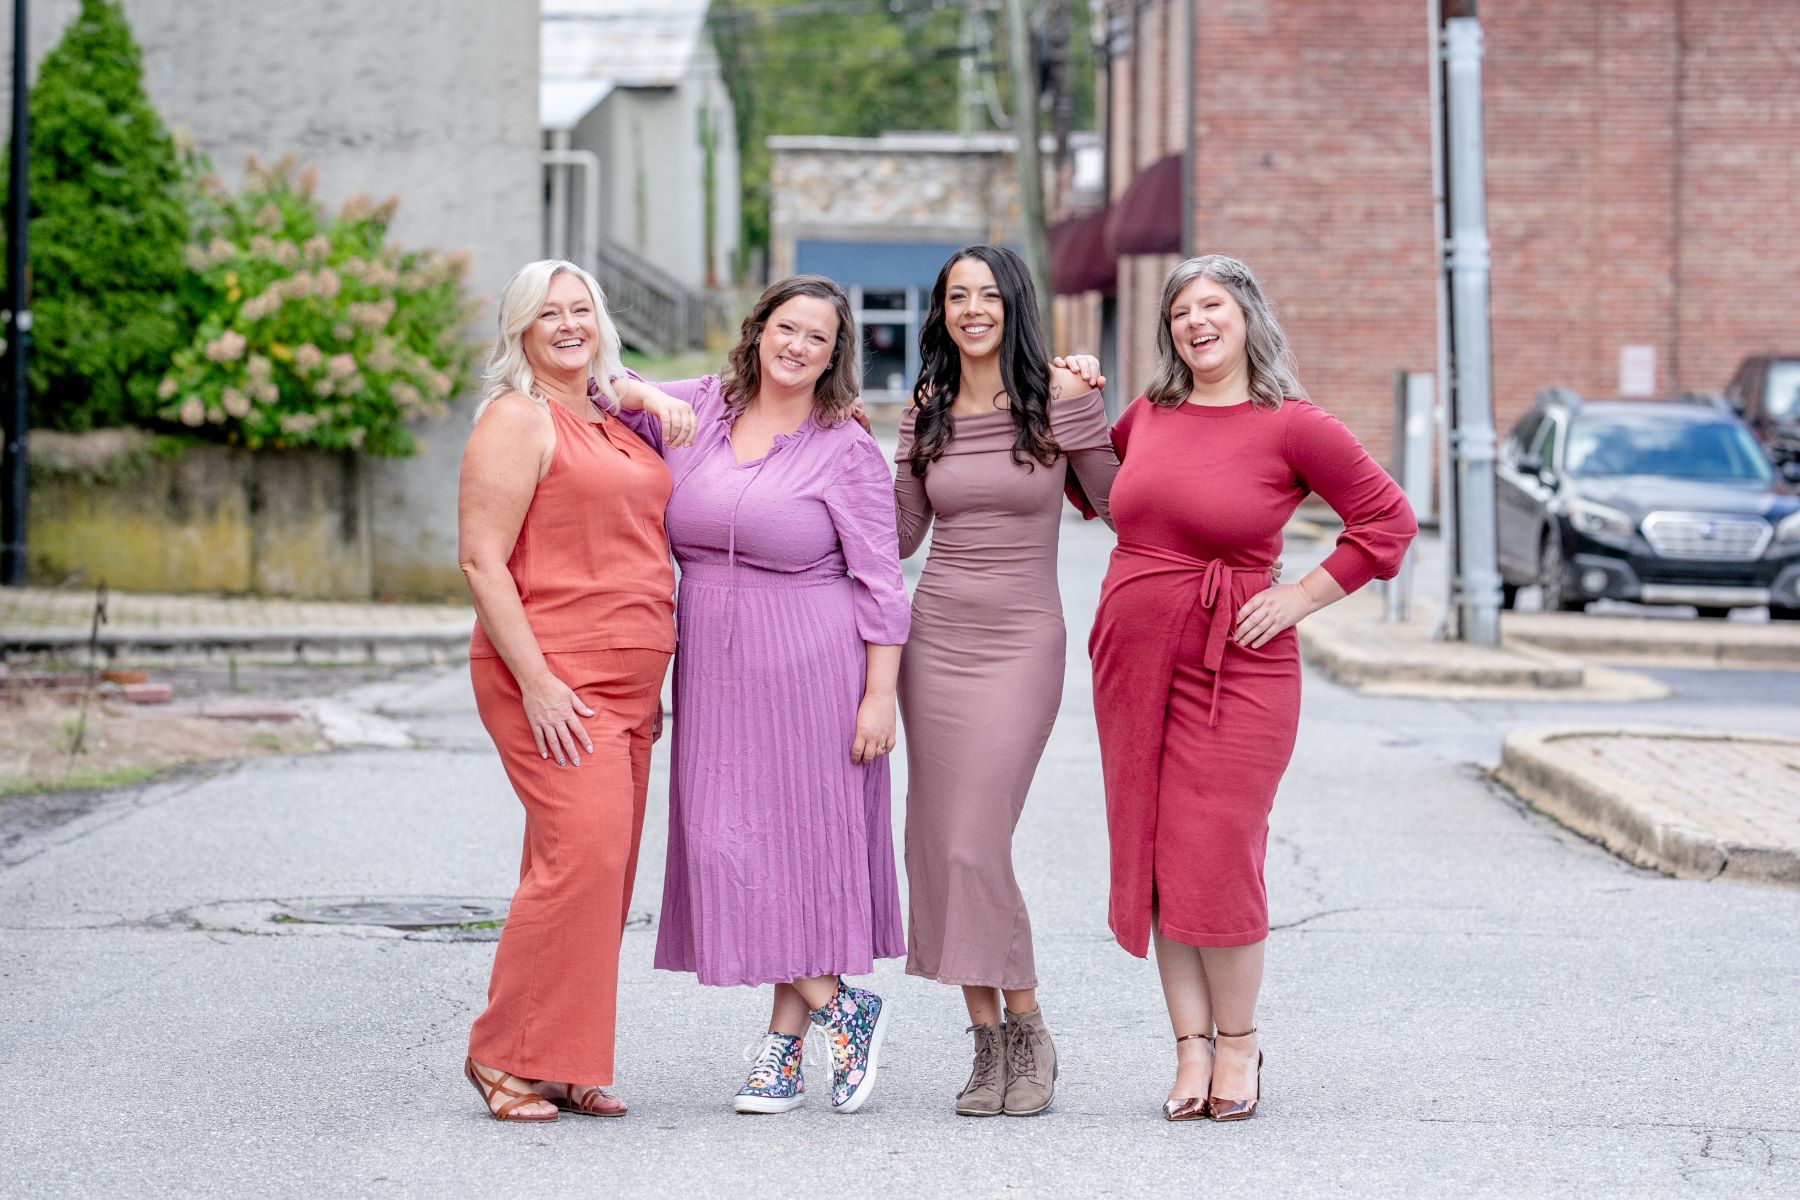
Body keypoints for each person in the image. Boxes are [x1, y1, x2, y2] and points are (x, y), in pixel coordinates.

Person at [1089, 254, 1416, 1123]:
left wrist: (1302, 596)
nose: (1197, 321)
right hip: (1133, 658)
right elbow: (1096, 489)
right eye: (1181, 310)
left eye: (1213, 306)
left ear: (1246, 319)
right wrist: (1073, 398)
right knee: (1156, 851)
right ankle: (1188, 1048)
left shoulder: (1292, 424)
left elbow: (1387, 521)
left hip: (1239, 658)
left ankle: (1239, 1043)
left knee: (1216, 850)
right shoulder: (1150, 414)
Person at [607, 275, 910, 1116]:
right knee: (721, 845)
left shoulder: (844, 447)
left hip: (814, 663)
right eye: (787, 328)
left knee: (798, 857)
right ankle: (839, 1003)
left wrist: (878, 697)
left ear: (834, 355)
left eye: (818, 337)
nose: (797, 346)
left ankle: (781, 1050)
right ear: (758, 330)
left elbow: (883, 581)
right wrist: (635, 388)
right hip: (711, 661)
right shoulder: (699, 407)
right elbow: (599, 382)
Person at [457, 259, 695, 1122]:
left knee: (605, 872)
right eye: (547, 313)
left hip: (630, 685)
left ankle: (563, 1057)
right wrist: (541, 685)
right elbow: (483, 560)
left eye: (580, 309)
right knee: (580, 861)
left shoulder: (609, 414)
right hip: (551, 676)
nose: (566, 324)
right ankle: (502, 1055)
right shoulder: (518, 419)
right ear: (519, 329)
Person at [891, 244, 1114, 1117]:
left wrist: (1089, 412)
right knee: (940, 844)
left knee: (975, 839)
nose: (972, 309)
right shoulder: (930, 410)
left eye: (987, 294)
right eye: (956, 296)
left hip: (1022, 641)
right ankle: (986, 1048)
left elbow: (1123, 506)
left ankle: (1028, 1026)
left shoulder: (1059, 400)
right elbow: (901, 537)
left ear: (1014, 304)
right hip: (934, 638)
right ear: (941, 311)